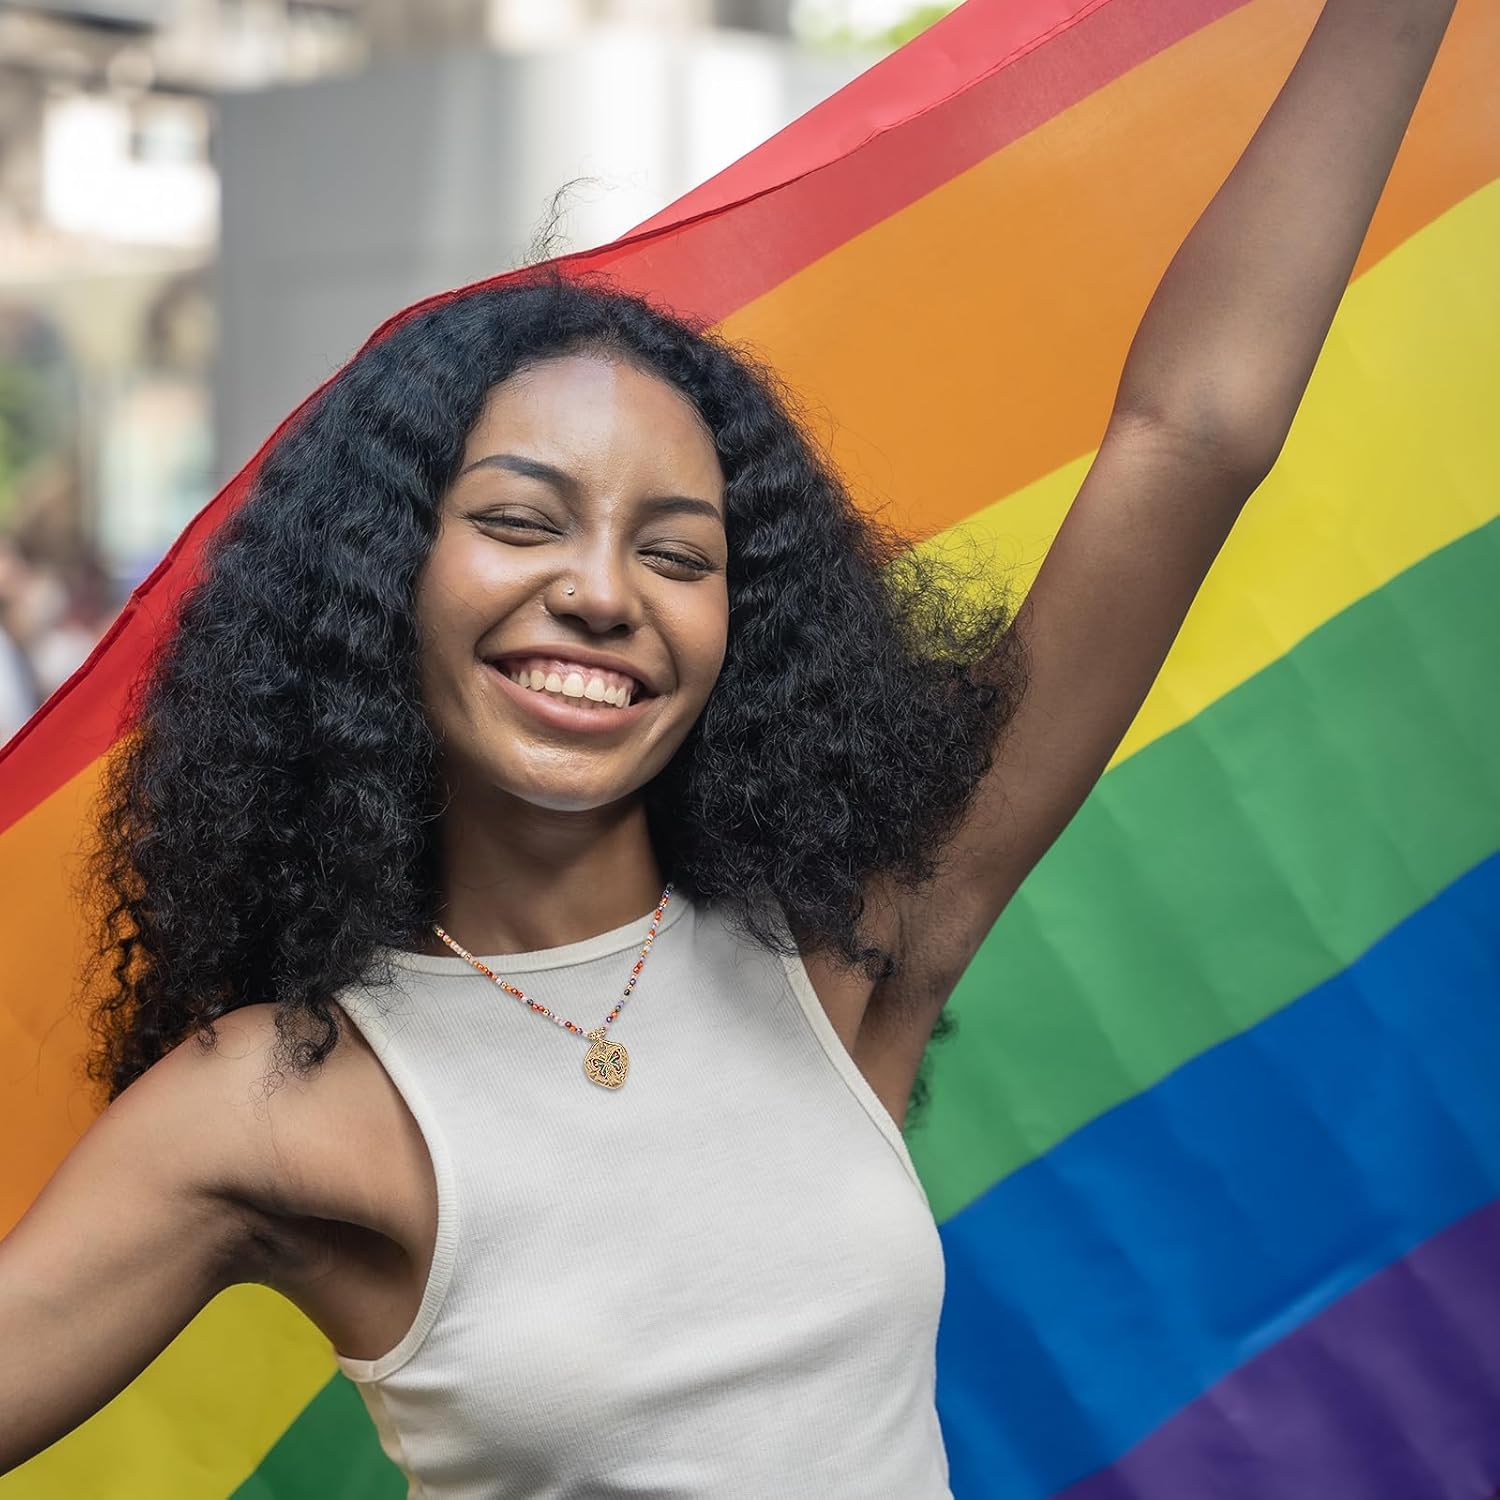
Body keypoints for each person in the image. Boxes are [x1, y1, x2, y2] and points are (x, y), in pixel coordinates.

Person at [0, 1, 1457, 1493]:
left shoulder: (847, 946)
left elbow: (1191, 434)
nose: (602, 591)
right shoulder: (280, 1097)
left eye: (680, 554)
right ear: (377, 583)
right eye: (518, 521)